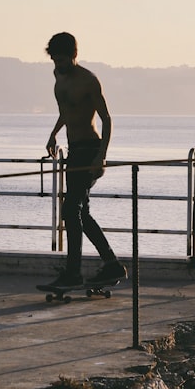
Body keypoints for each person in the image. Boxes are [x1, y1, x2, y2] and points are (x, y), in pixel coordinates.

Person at [42, 32, 127, 289]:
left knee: (70, 209)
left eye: (64, 60)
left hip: (89, 149)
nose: (59, 65)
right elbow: (67, 111)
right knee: (82, 212)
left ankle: (73, 273)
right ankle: (112, 265)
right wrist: (54, 133)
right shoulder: (59, 76)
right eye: (55, 61)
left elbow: (107, 119)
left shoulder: (89, 81)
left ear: (74, 55)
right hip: (73, 148)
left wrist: (101, 157)